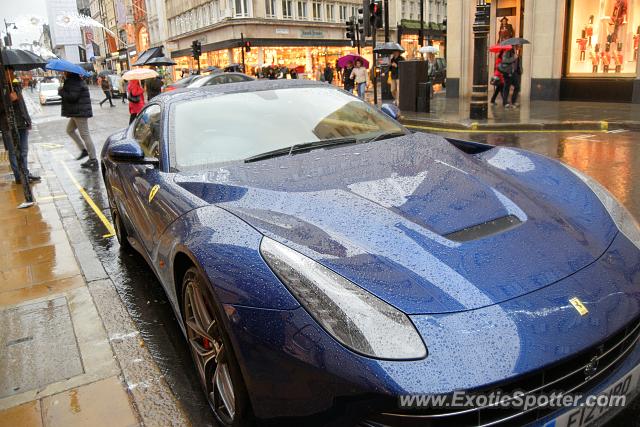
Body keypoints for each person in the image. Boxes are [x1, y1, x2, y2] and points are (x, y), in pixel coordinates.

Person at [0, 68, 40, 183]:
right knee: (13, 152)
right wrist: (9, 100)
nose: (11, 75)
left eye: (12, 72)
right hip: (9, 125)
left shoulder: (15, 85)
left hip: (21, 123)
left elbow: (22, 105)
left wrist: (28, 120)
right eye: (8, 72)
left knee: (24, 151)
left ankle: (25, 173)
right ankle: (19, 176)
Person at [59, 71, 98, 169]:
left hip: (79, 112)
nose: (63, 73)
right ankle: (84, 150)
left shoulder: (74, 82)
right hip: (76, 111)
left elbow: (72, 97)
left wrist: (61, 91)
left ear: (69, 73)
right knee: (69, 130)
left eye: (64, 72)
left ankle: (93, 159)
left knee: (85, 134)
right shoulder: (73, 81)